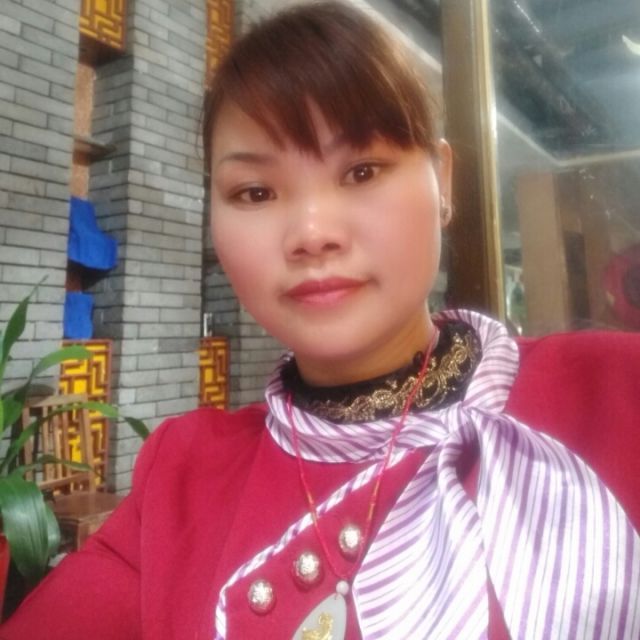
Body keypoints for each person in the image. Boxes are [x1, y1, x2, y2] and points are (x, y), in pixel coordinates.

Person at [2, 2, 639, 638]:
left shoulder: (616, 391)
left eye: (362, 171)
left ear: (443, 180)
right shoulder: (183, 477)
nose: (311, 233)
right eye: (256, 192)